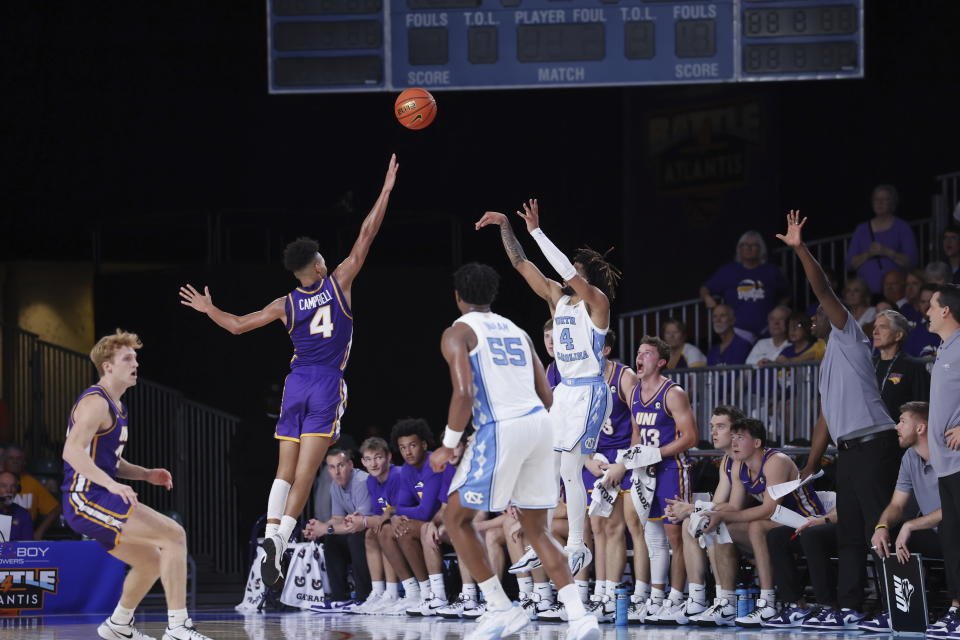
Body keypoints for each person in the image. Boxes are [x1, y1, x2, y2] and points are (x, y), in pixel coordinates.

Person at [179, 154, 399, 587]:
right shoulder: (339, 282)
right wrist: (387, 189)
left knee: (283, 470)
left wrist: (209, 309)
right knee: (305, 474)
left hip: (294, 384)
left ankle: (268, 532)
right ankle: (279, 538)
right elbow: (367, 233)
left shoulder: (285, 304)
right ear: (317, 266)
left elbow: (239, 326)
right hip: (326, 384)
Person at [431, 262, 600, 640]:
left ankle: (500, 608)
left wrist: (448, 445)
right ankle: (580, 617)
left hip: (502, 426)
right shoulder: (519, 332)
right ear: (492, 296)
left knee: (456, 519)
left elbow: (463, 393)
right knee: (537, 530)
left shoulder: (457, 332)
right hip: (541, 425)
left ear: (458, 297)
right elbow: (545, 394)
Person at [476, 201, 619, 576]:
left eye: (575, 274)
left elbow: (566, 271)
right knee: (545, 467)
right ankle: (545, 540)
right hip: (566, 393)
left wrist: (537, 230)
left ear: (585, 279)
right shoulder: (558, 301)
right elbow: (521, 264)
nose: (567, 276)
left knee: (571, 469)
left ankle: (576, 547)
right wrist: (507, 226)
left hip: (590, 391)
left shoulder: (597, 304)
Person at [781, 211, 902, 630]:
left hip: (875, 444)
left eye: (813, 316)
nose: (809, 320)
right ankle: (851, 607)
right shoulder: (828, 362)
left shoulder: (848, 334)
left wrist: (800, 251)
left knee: (878, 528)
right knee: (850, 533)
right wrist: (813, 463)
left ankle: (895, 608)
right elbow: (825, 416)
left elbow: (823, 287)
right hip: (848, 451)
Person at [61, 330, 211, 640]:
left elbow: (109, 462)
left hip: (98, 494)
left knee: (151, 561)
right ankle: (178, 627)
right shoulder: (95, 403)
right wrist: (112, 486)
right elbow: (71, 451)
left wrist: (145, 474)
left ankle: (118, 624)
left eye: (136, 358)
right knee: (174, 534)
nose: (135, 364)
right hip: (84, 498)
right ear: (108, 367)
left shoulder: (118, 406)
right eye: (127, 358)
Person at [604, 336, 698, 623]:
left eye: (647, 353)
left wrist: (656, 453)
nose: (640, 357)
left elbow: (691, 437)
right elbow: (636, 434)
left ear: (660, 362)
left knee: (675, 537)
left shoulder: (673, 393)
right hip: (645, 470)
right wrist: (631, 462)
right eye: (638, 352)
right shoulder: (633, 393)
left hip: (672, 470)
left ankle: (677, 596)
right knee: (652, 535)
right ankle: (657, 597)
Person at [701, 418, 824, 628]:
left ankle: (768, 603)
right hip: (778, 525)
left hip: (807, 522)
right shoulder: (740, 466)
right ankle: (727, 602)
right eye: (733, 437)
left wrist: (723, 515)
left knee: (756, 527)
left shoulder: (776, 461)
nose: (734, 443)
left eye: (740, 437)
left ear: (757, 443)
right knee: (720, 528)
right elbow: (735, 508)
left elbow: (769, 509)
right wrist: (703, 513)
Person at [860, 402, 959, 633]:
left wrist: (911, 525)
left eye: (903, 421)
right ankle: (897, 612)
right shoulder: (909, 458)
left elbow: (954, 509)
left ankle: (955, 612)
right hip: (932, 535)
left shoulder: (950, 452)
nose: (896, 427)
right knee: (884, 537)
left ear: (921, 427)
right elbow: (896, 504)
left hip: (953, 531)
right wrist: (883, 526)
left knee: (949, 529)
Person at [664, 405, 746, 628]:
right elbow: (717, 503)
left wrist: (692, 508)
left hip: (757, 524)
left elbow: (734, 506)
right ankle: (697, 598)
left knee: (711, 523)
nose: (714, 432)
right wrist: (691, 510)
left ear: (737, 431)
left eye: (720, 427)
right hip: (737, 522)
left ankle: (725, 601)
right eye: (712, 427)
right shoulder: (727, 461)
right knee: (691, 523)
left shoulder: (743, 458)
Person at [580, 331, 638, 622]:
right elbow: (576, 422)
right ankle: (600, 593)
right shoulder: (580, 377)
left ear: (606, 349)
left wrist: (625, 462)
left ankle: (613, 595)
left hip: (621, 459)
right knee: (597, 528)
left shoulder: (624, 376)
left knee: (614, 528)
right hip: (595, 459)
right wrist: (586, 459)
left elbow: (639, 419)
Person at [377, 418, 447, 616]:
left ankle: (432, 593)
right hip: (424, 522)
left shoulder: (434, 465)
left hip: (441, 520)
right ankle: (415, 592)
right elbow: (404, 504)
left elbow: (426, 511)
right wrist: (396, 514)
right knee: (386, 530)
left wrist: (396, 512)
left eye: (413, 446)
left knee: (404, 530)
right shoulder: (407, 469)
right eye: (403, 447)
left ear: (424, 445)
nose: (408, 452)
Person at [346, 436, 415, 615]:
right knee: (371, 533)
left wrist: (370, 520)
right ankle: (378, 591)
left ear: (389, 457)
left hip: (412, 520)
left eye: (378, 457)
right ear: (362, 462)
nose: (373, 463)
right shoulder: (371, 481)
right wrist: (363, 517)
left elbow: (399, 508)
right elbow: (379, 514)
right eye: (368, 459)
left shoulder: (398, 475)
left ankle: (394, 593)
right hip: (393, 524)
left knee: (382, 531)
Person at [926, 283, 960, 639]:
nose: (928, 312)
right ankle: (956, 608)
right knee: (952, 540)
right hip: (947, 464)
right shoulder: (944, 348)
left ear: (947, 310)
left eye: (932, 307)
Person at [302, 448, 372, 606]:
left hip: (373, 530)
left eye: (340, 465)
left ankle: (364, 597)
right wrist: (317, 528)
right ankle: (339, 598)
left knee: (355, 538)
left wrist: (325, 528)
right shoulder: (335, 486)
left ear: (350, 464)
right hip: (357, 529)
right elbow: (337, 519)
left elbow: (359, 524)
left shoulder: (361, 481)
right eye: (332, 467)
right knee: (332, 540)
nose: (337, 472)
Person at [699, 230, 788, 340]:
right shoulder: (728, 271)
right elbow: (705, 288)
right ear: (739, 249)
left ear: (761, 249)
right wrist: (707, 298)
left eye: (754, 245)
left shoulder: (771, 271)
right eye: (744, 245)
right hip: (738, 334)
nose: (749, 248)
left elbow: (786, 294)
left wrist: (777, 314)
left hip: (767, 332)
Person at [764, 506, 839, 629]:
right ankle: (796, 606)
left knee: (811, 534)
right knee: (776, 536)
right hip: (825, 519)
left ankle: (829, 606)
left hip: (847, 526)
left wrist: (822, 520)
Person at [846, 184, 919, 295]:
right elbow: (850, 264)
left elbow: (911, 261)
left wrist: (886, 251)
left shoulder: (902, 227)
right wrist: (869, 254)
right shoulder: (861, 229)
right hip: (866, 295)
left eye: (884, 199)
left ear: (893, 202)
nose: (879, 202)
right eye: (876, 199)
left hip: (895, 294)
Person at [872, 310, 930, 421]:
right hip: (869, 431)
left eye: (883, 327)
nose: (875, 332)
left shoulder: (914, 367)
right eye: (875, 327)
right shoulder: (868, 365)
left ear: (898, 335)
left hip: (899, 433)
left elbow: (922, 408)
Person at [3, 444, 60, 540]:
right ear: (3, 461)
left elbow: (55, 509)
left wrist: (39, 532)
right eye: (11, 458)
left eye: (19, 458)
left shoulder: (32, 483)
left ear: (24, 462)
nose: (15, 462)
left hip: (24, 532)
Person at [904, 283, 942, 357]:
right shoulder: (913, 335)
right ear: (919, 305)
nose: (927, 305)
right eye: (923, 302)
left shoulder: (951, 333)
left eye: (931, 301)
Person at [0, 471, 33, 541]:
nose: (9, 490)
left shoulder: (23, 514)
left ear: (17, 490)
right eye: (3, 486)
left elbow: (26, 546)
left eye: (13, 486)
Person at [543, 318, 561, 387]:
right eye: (547, 336)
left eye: (554, 336)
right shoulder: (548, 371)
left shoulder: (574, 367)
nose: (550, 342)